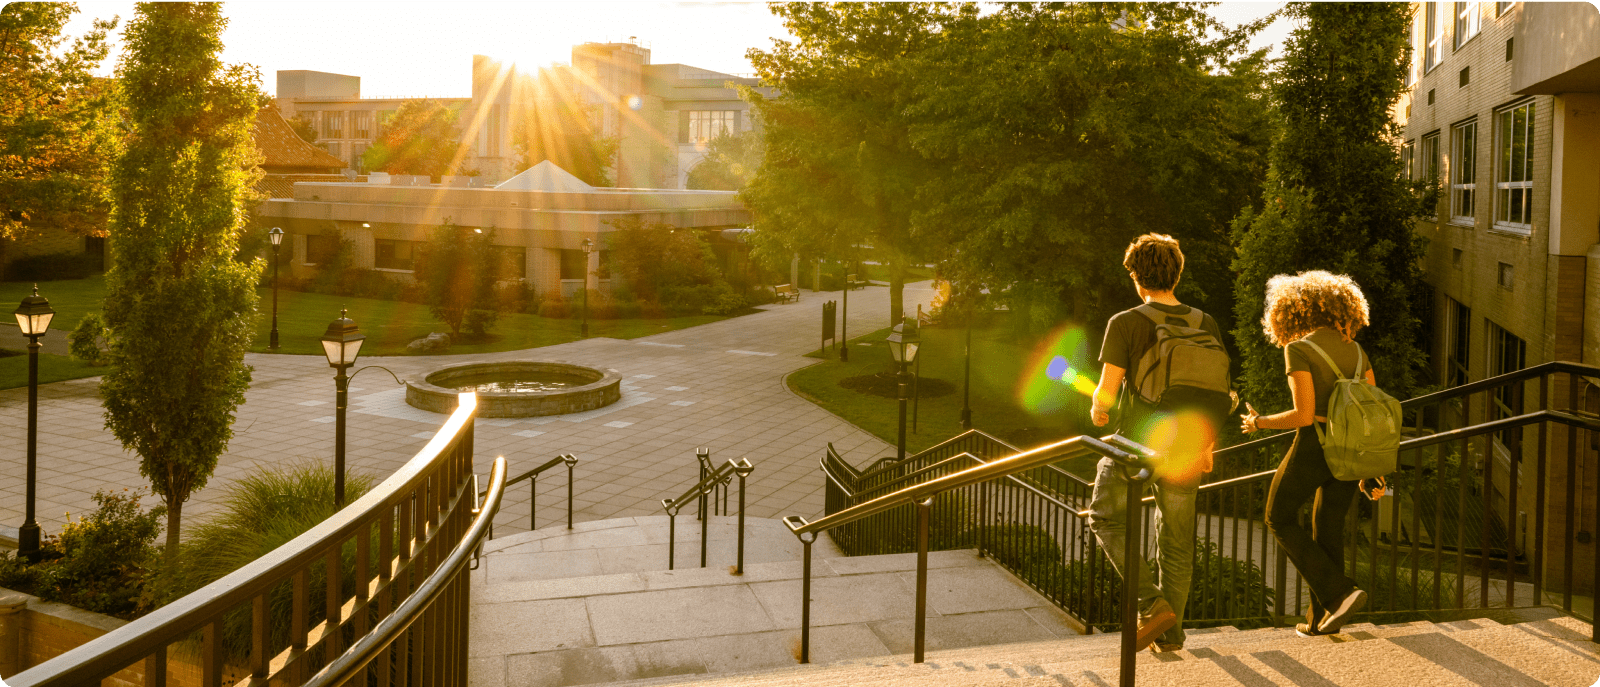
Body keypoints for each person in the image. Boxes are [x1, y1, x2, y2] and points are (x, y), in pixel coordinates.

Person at [1089, 233, 1226, 653]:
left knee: (1104, 517)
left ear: (1136, 276)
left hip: (1141, 442)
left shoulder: (1126, 321)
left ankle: (1150, 604)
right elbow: (1213, 389)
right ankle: (1171, 634)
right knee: (1177, 543)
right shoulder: (1206, 322)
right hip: (1190, 444)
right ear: (1177, 273)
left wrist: (1098, 412)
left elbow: (1106, 395)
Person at [1240, 270, 1386, 637]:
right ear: (1344, 308)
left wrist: (1259, 422)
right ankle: (1322, 619)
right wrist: (1373, 471)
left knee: (1277, 517)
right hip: (1352, 450)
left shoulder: (1299, 348)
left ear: (1292, 313)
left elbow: (1303, 415)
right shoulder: (1355, 349)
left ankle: (1339, 592)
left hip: (1315, 446)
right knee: (1328, 529)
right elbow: (1369, 410)